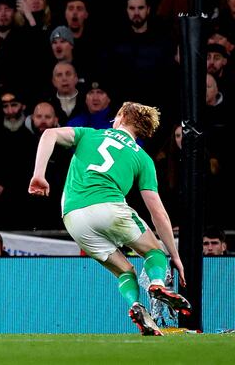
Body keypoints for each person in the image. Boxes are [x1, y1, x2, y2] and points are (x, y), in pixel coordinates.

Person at [28, 102, 191, 336]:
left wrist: (39, 175)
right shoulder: (143, 158)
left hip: (73, 216)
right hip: (109, 207)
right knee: (154, 252)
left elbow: (49, 134)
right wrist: (173, 256)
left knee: (125, 271)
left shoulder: (89, 133)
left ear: (122, 116)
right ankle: (156, 283)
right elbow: (157, 211)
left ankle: (135, 305)